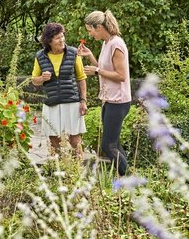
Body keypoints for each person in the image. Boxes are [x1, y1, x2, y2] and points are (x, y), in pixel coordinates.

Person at [77, 10, 131, 176]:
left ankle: (128, 178)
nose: (90, 33)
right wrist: (91, 56)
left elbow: (121, 76)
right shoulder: (107, 43)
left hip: (119, 101)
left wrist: (97, 71)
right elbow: (105, 68)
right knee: (114, 143)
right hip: (109, 100)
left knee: (108, 146)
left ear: (99, 27)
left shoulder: (116, 44)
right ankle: (126, 175)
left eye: (90, 30)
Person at [32, 22, 88, 159]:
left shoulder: (74, 53)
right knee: (54, 142)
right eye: (58, 38)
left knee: (75, 141)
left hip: (72, 102)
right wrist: (42, 78)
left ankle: (77, 172)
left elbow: (81, 78)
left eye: (62, 36)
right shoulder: (40, 56)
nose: (62, 40)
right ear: (49, 41)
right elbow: (34, 80)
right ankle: (59, 173)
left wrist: (83, 100)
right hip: (51, 103)